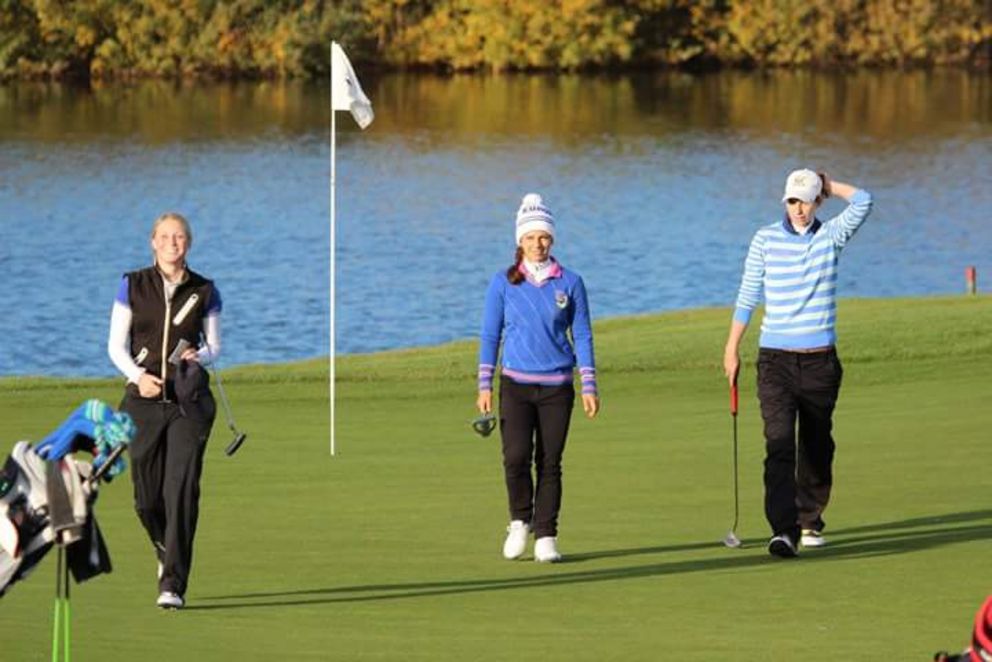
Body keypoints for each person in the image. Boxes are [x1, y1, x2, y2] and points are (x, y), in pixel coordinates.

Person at [723, 169, 873, 558]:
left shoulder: (831, 236)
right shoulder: (765, 239)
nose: (799, 209)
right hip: (775, 361)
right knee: (779, 444)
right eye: (793, 201)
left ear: (817, 201)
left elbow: (864, 201)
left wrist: (829, 183)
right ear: (784, 201)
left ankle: (810, 518)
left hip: (820, 361)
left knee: (817, 445)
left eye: (806, 200)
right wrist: (732, 347)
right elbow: (748, 293)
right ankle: (783, 530)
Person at [476, 193, 600, 563]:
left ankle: (546, 534)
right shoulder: (503, 283)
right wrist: (484, 383)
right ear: (520, 240)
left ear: (553, 239)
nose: (538, 243)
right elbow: (489, 335)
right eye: (530, 237)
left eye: (544, 236)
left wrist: (589, 383)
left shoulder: (571, 283)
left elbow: (582, 335)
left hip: (557, 387)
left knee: (550, 462)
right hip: (514, 385)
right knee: (515, 457)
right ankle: (520, 521)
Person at [107, 212, 221, 608]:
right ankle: (162, 545)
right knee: (146, 497)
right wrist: (138, 377)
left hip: (189, 404)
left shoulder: (204, 289)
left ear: (188, 243)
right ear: (153, 242)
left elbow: (214, 347)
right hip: (142, 400)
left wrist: (198, 355)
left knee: (181, 491)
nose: (173, 242)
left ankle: (172, 583)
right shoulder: (133, 284)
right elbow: (114, 348)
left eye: (180, 237)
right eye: (166, 237)